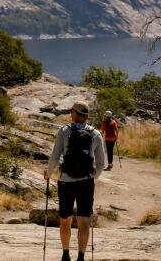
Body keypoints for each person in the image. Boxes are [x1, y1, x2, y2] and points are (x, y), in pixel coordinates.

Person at [44, 101, 107, 261]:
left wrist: (49, 173)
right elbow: (101, 164)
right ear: (85, 116)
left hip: (66, 181)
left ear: (75, 113)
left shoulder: (64, 131)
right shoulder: (95, 134)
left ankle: (65, 254)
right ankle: (81, 256)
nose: (70, 113)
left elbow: (54, 157)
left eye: (72, 111)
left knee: (65, 218)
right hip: (86, 182)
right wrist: (92, 176)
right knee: (84, 219)